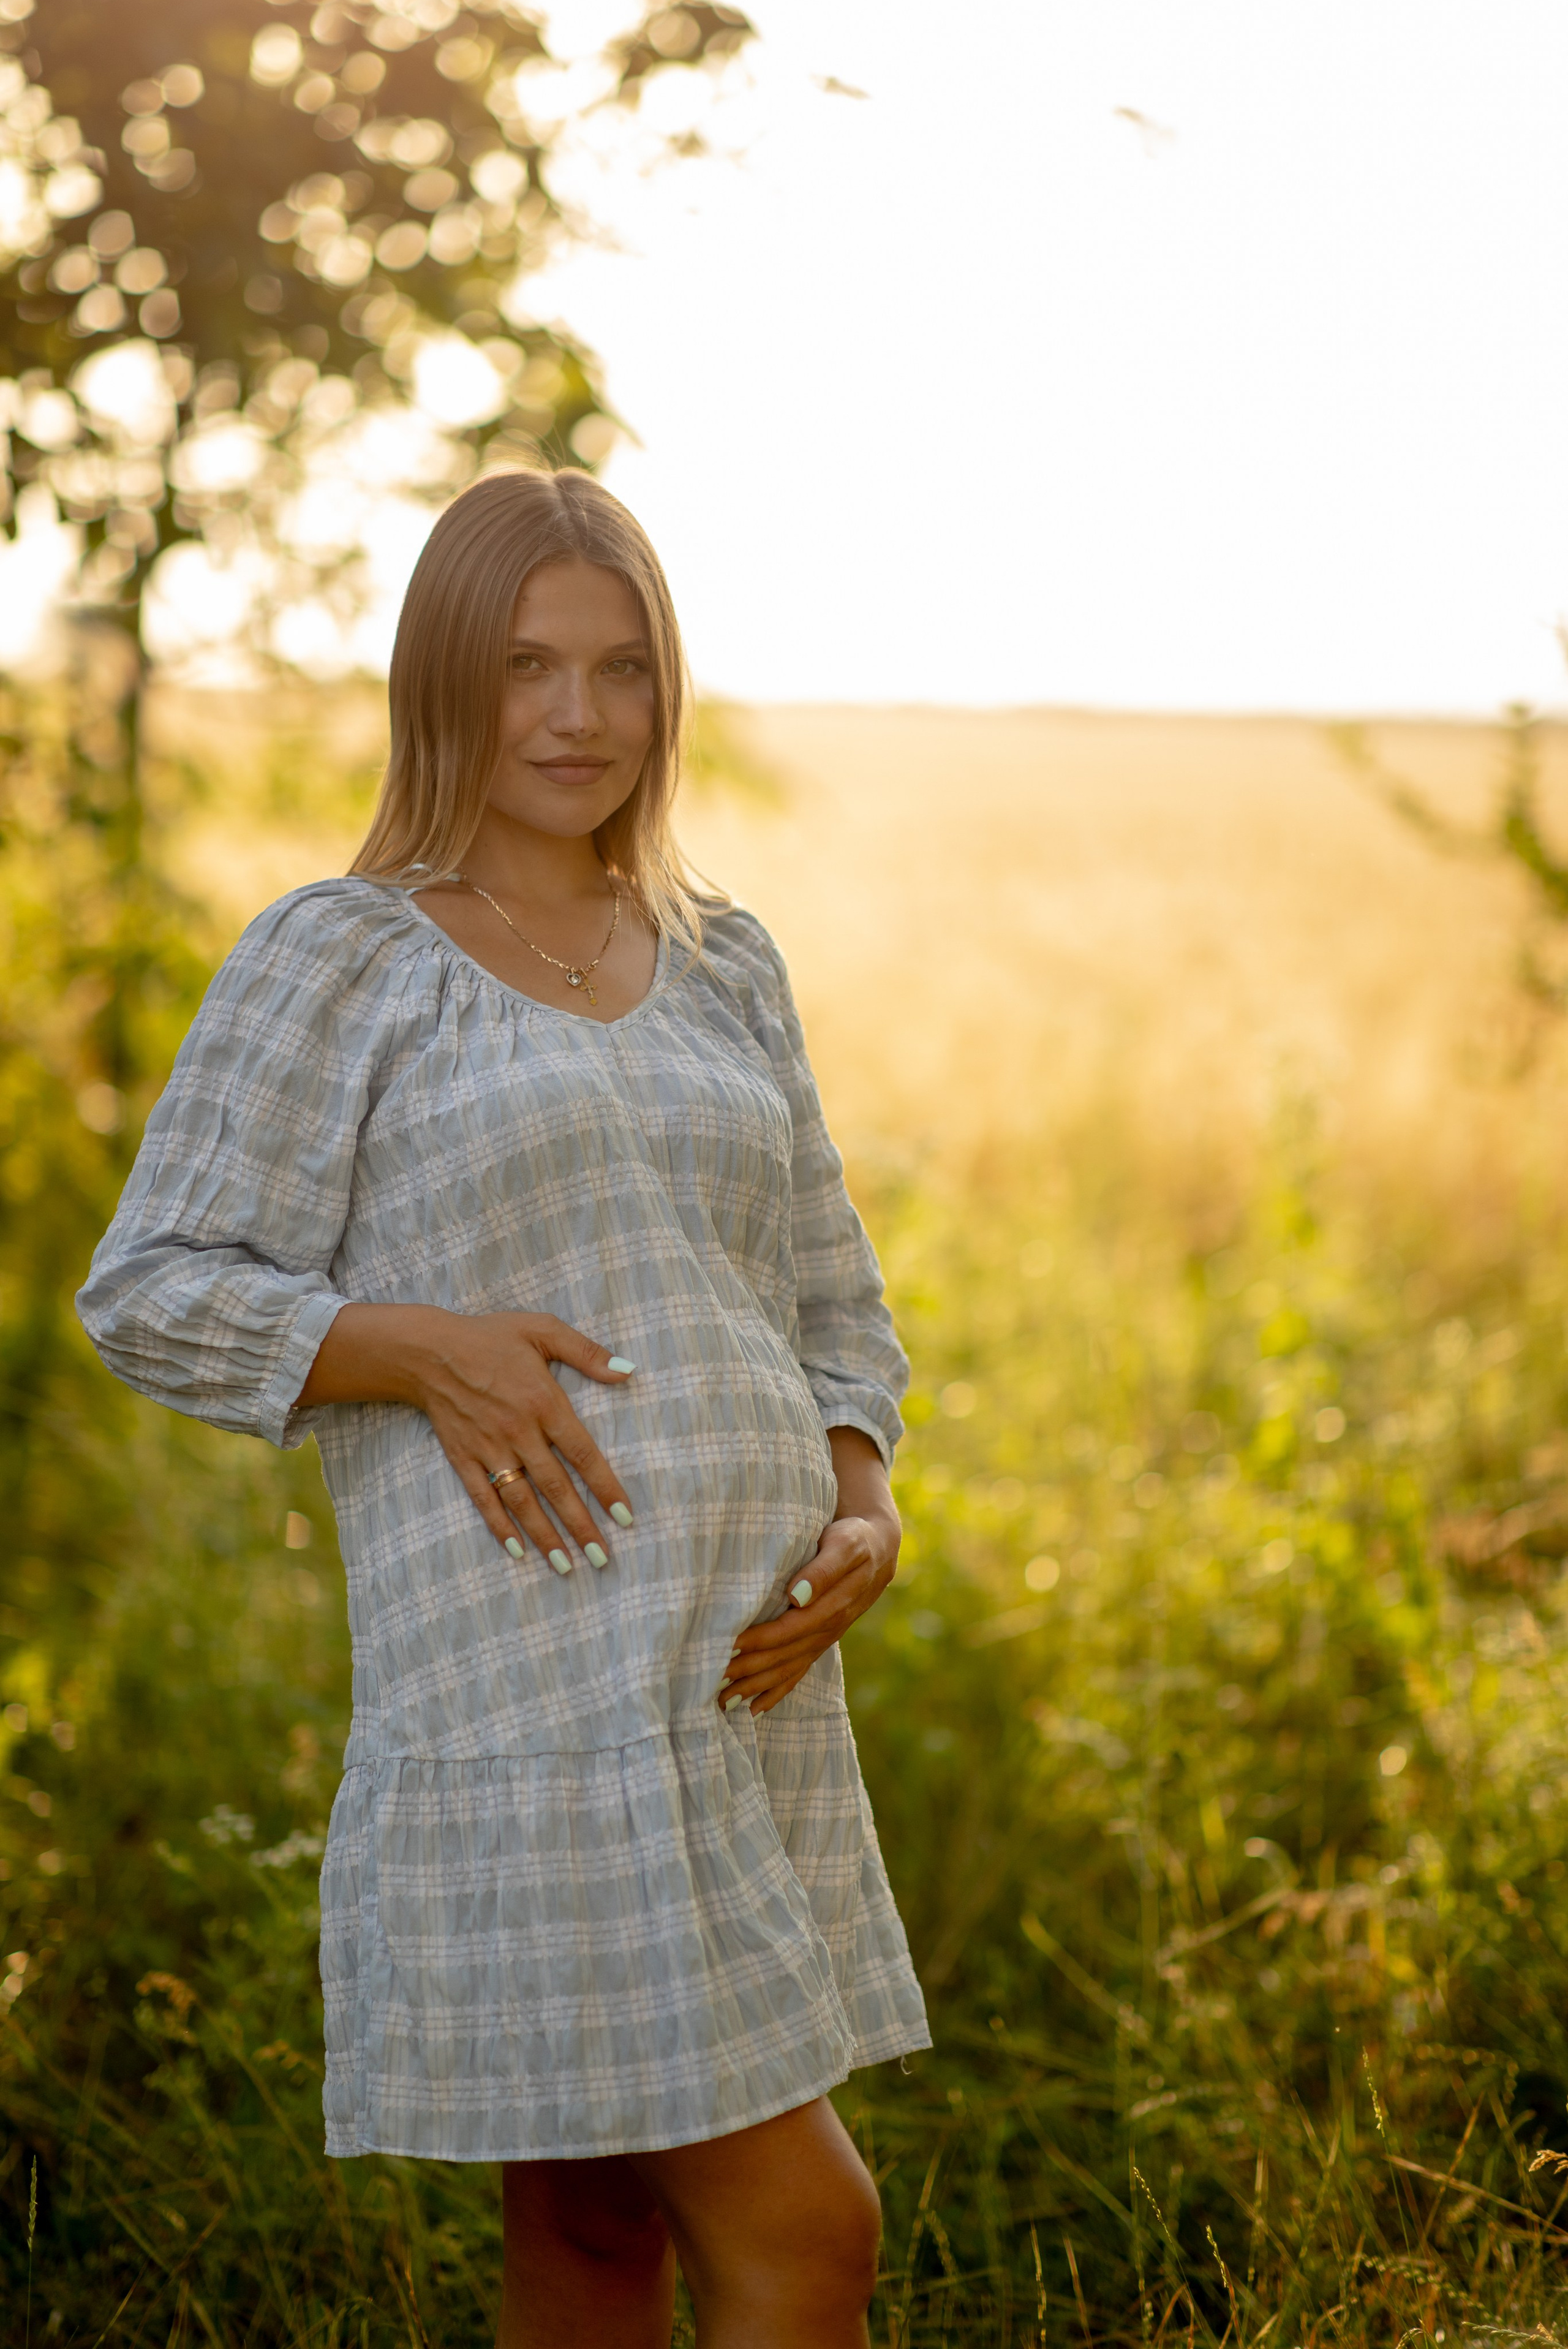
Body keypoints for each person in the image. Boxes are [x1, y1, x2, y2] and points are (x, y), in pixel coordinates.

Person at [78, 465, 930, 2345]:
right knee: (810, 2227)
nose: (576, 717)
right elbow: (151, 1289)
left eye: (621, 670)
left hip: (742, 1690)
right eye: (528, 666)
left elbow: (825, 1295)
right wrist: (421, 1345)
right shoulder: (344, 954)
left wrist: (861, 1498)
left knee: (595, 2234)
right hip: (530, 1708)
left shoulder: (726, 961)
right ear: (444, 684)